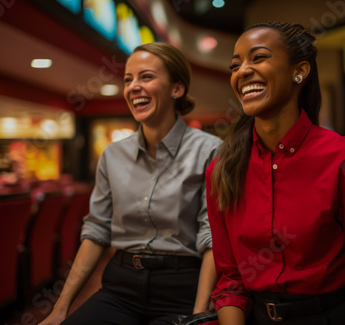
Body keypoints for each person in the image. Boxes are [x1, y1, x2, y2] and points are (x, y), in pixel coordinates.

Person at [206, 22, 345, 325]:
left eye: (259, 57)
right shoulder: (221, 170)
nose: (242, 71)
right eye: (235, 65)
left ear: (300, 71)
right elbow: (231, 281)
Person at [40, 42, 222, 325]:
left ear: (177, 88)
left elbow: (212, 237)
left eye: (146, 77)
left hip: (182, 288)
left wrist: (199, 316)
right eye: (128, 80)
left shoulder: (210, 150)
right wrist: (60, 309)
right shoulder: (112, 155)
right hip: (120, 287)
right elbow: (97, 229)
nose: (133, 86)